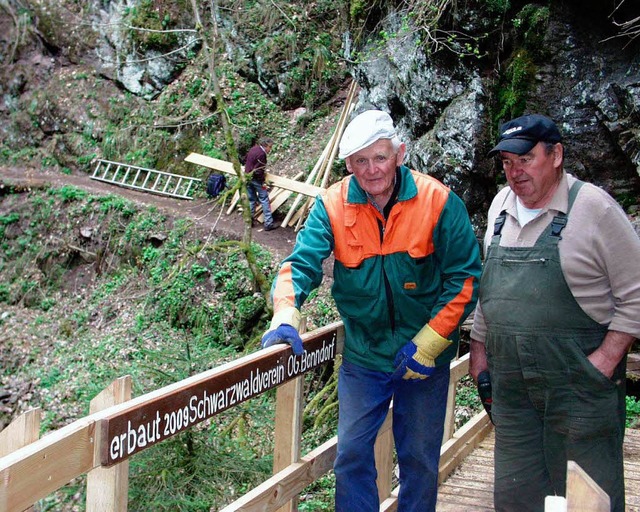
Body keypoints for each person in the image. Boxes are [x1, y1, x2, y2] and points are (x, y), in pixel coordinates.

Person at [260, 109, 481, 511]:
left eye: (380, 157)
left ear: (399, 153)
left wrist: (430, 343)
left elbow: (465, 278)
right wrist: (286, 312)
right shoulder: (333, 205)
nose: (372, 169)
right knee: (352, 455)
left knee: (418, 460)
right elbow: (301, 263)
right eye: (360, 161)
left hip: (424, 358)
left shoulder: (437, 201)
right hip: (364, 356)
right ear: (348, 165)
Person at [469, 113, 640, 512]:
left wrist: (605, 360)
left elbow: (636, 292)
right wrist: (479, 352)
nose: (515, 172)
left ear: (557, 154)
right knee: (516, 497)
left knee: (588, 497)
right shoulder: (499, 206)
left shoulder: (594, 207)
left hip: (578, 383)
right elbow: (488, 292)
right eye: (507, 163)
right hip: (512, 389)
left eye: (525, 160)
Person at [244, 137, 277, 231]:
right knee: (264, 199)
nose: (270, 150)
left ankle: (249, 221)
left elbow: (245, 159)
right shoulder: (262, 154)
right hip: (256, 180)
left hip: (247, 177)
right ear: (265, 146)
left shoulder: (254, 149)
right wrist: (263, 182)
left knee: (251, 200)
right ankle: (268, 223)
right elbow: (258, 171)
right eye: (270, 147)